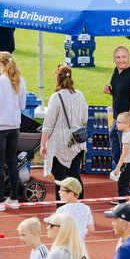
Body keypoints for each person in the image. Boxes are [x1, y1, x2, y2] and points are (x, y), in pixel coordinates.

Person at [0, 51, 27, 211]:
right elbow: (22, 106)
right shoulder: (20, 81)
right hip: (14, 126)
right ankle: (13, 198)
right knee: (12, 163)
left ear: (0, 64)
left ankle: (0, 201)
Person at [41, 65, 88, 200]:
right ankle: (78, 207)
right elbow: (85, 118)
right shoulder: (80, 95)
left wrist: (43, 144)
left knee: (60, 179)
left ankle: (61, 209)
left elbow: (48, 125)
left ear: (57, 78)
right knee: (75, 177)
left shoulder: (56, 97)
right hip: (77, 142)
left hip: (58, 144)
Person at [103, 46, 130, 168]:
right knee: (116, 152)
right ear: (114, 59)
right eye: (118, 57)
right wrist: (109, 91)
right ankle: (122, 173)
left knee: (127, 155)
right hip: (117, 120)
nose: (121, 60)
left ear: (129, 57)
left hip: (128, 122)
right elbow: (120, 92)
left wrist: (129, 126)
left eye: (124, 57)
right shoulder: (116, 71)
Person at [111, 112, 130, 197]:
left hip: (129, 164)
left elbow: (124, 153)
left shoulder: (126, 137)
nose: (116, 124)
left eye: (119, 122)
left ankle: (123, 202)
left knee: (122, 184)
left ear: (127, 124)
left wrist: (118, 168)